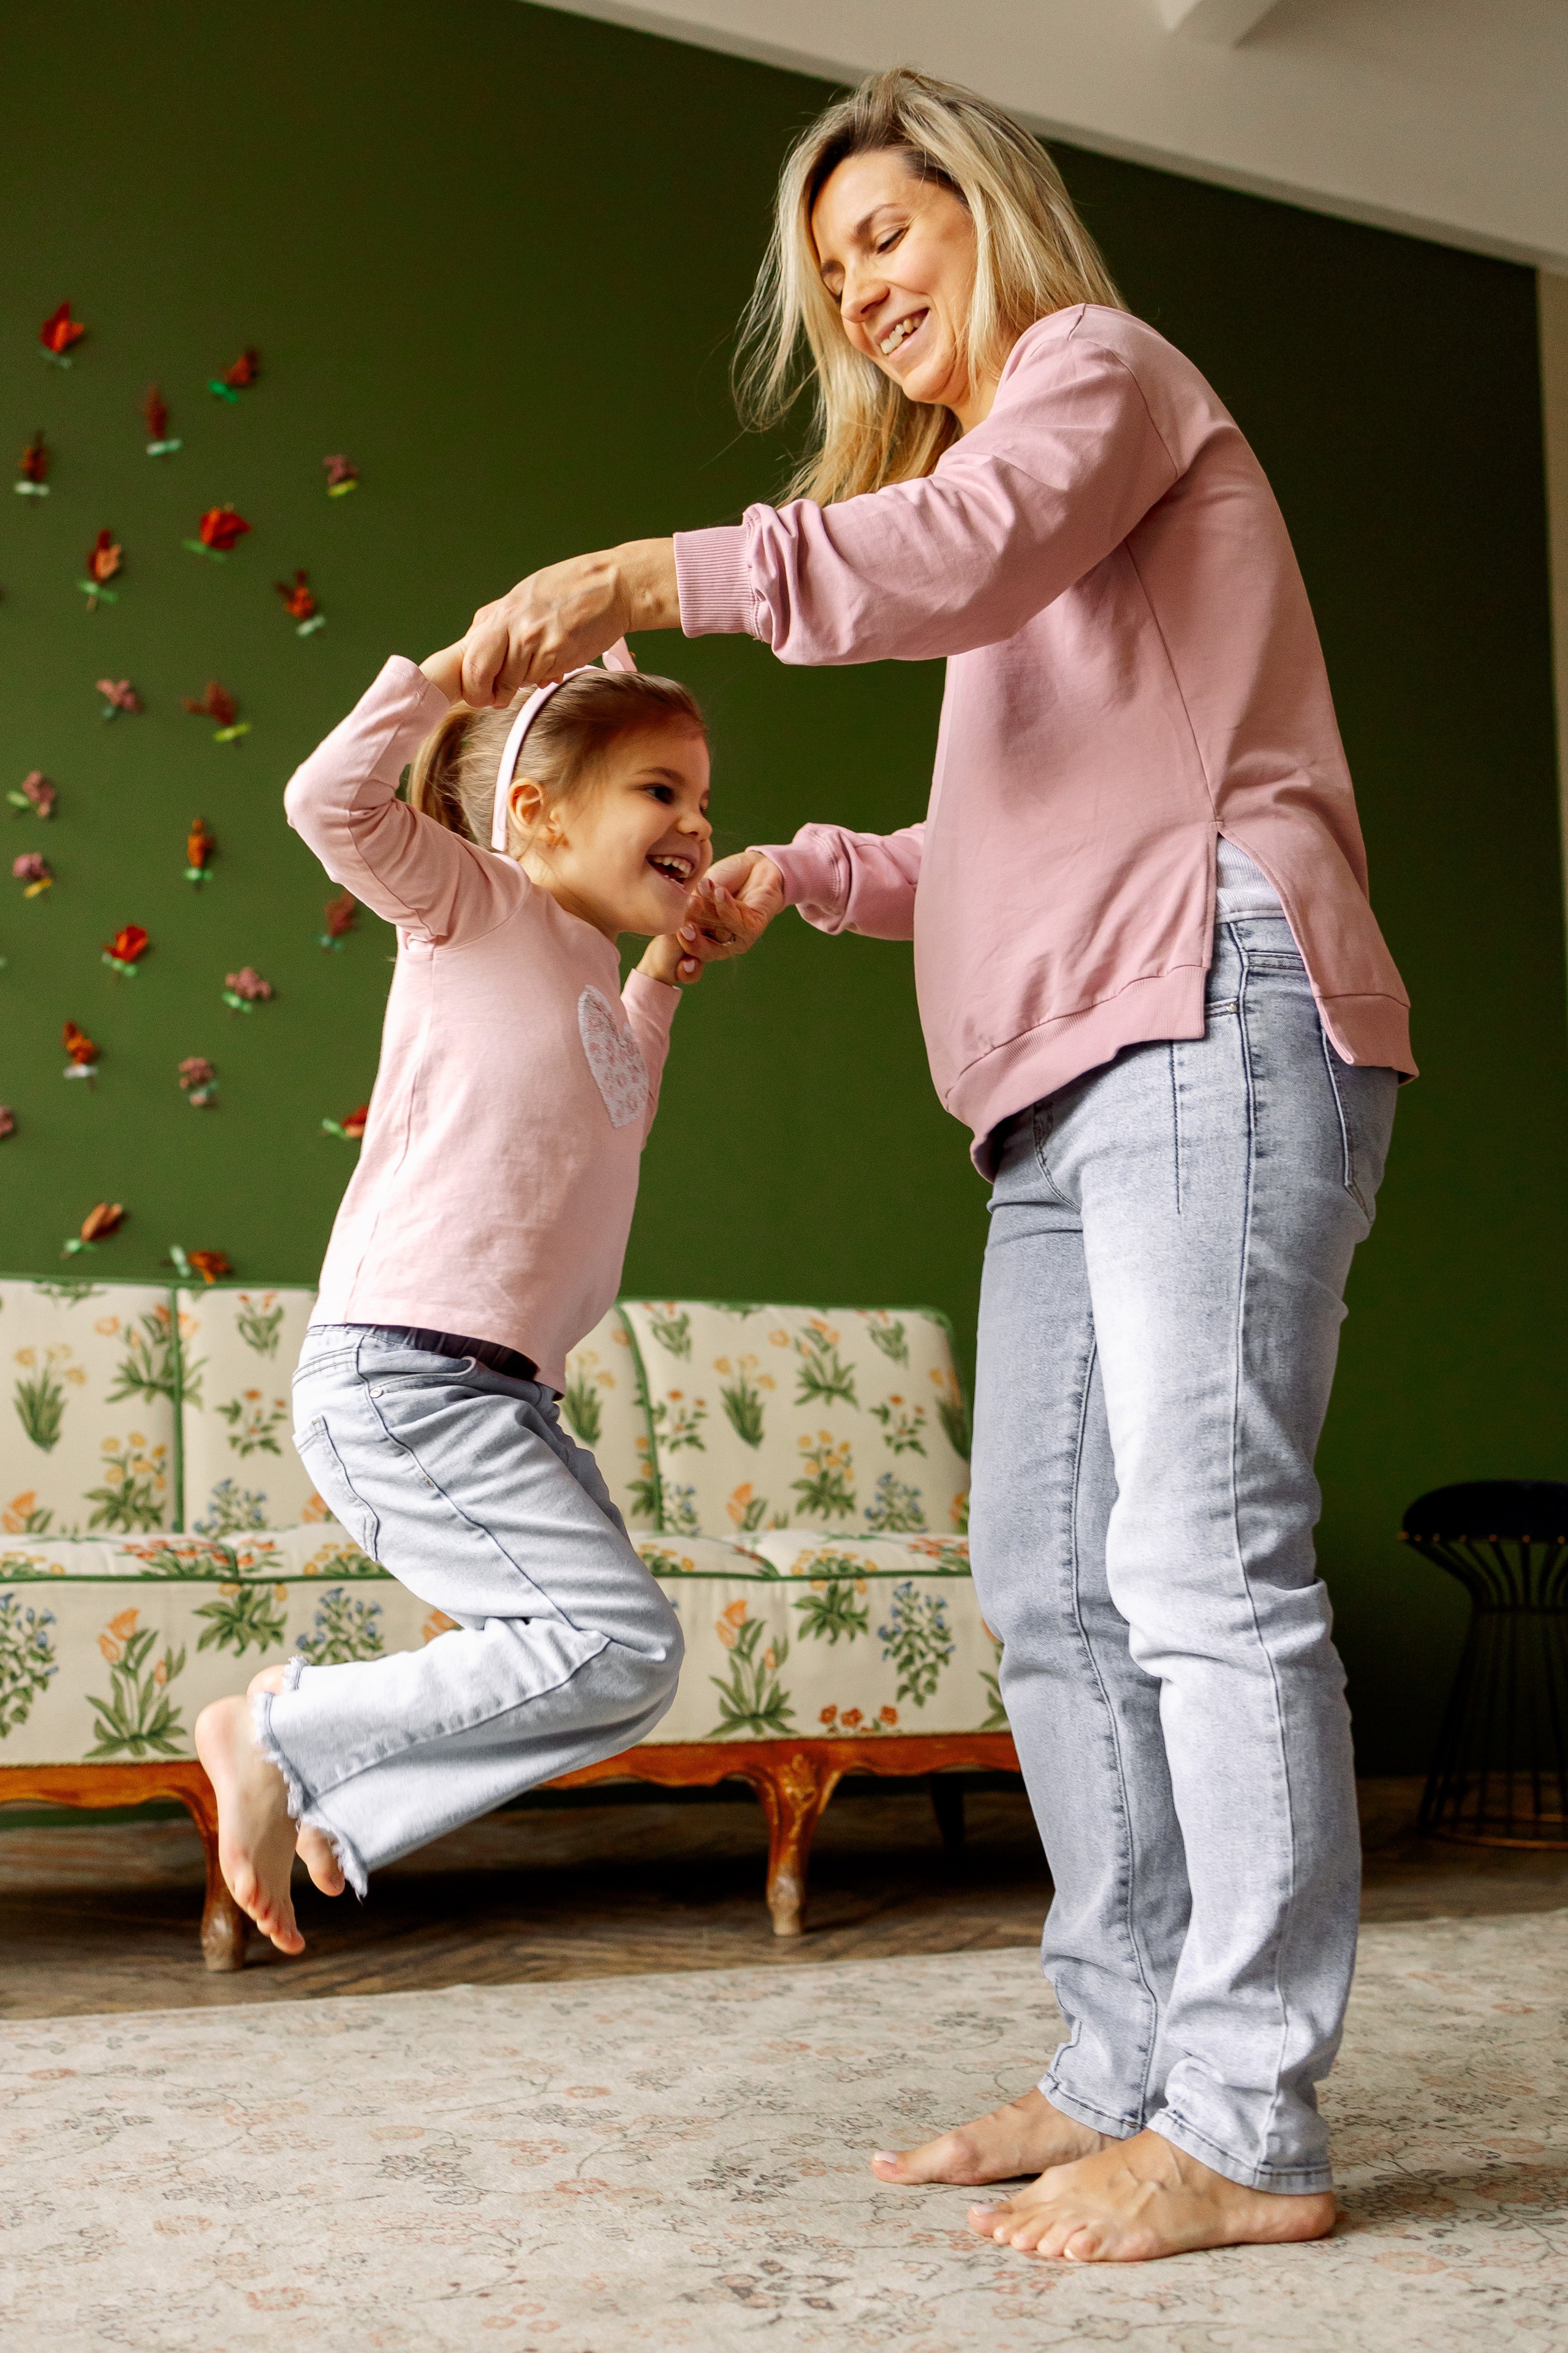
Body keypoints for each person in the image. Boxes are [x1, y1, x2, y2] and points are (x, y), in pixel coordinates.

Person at [449, 67, 1414, 2265]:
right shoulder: (1023, 513)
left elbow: (955, 559)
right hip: (1070, 1078)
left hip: (1204, 1000)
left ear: (985, 212)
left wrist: (643, 570)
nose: (860, 286)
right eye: (831, 268)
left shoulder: (1095, 382)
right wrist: (824, 872)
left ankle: (1249, 2125)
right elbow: (1008, 840)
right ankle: (1123, 2065)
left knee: (1197, 1569)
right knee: (1054, 1592)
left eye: (885, 234)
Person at [195, 631, 740, 1956]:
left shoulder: (589, 992)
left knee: (626, 1671)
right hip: (404, 1372)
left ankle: (345, 1798)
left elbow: (615, 1099)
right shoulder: (473, 906)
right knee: (610, 1642)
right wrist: (446, 674)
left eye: (703, 798)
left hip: (496, 1393)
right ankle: (270, 1734)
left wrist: (667, 973)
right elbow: (325, 802)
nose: (697, 820)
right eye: (659, 791)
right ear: (538, 814)